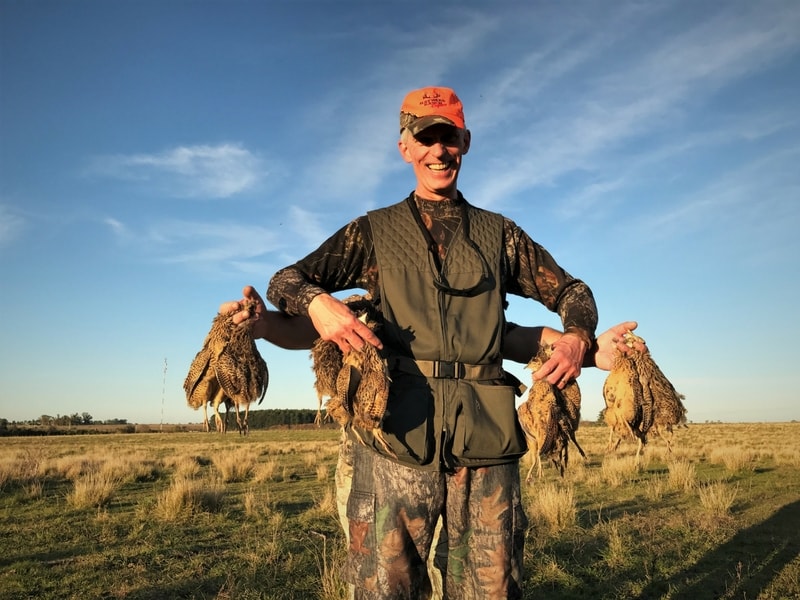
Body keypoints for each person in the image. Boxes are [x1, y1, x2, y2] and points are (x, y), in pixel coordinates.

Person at [233, 86, 601, 598]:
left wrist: (576, 338)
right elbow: (286, 280)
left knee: (493, 589)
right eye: (424, 137)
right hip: (395, 435)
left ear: (465, 141)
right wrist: (317, 305)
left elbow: (571, 290)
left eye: (447, 136)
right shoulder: (373, 232)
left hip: (486, 439)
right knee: (388, 587)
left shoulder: (500, 236)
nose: (438, 150)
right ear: (404, 146)